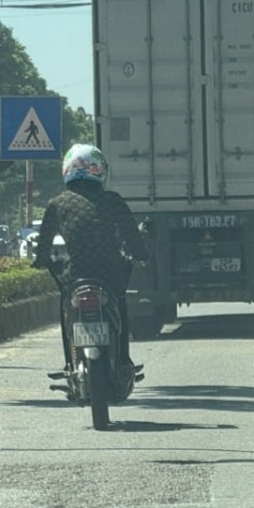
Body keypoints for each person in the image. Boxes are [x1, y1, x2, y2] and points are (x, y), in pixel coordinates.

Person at [31, 143, 149, 387]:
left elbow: (44, 242)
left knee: (66, 311)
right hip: (111, 273)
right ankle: (124, 359)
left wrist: (42, 262)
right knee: (121, 307)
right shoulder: (112, 200)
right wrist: (140, 255)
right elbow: (131, 235)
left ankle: (69, 363)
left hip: (75, 274)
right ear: (100, 171)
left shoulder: (57, 204)